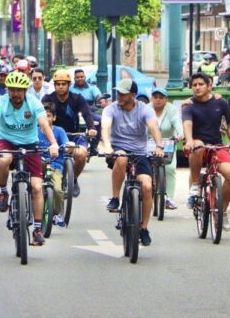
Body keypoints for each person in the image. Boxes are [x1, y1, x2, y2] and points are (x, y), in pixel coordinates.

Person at [0, 71, 59, 247]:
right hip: (7, 142)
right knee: (3, 160)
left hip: (30, 144)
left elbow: (44, 124)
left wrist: (53, 143)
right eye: (12, 90)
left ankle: (38, 229)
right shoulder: (1, 102)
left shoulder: (33, 102)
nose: (16, 94)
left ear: (25, 90)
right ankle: (3, 192)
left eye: (20, 90)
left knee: (37, 187)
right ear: (8, 90)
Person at [100, 79, 164, 247]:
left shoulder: (144, 110)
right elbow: (105, 128)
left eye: (123, 93)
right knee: (121, 158)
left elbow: (154, 128)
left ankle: (144, 228)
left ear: (133, 95)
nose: (119, 96)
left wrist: (158, 145)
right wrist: (107, 146)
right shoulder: (111, 109)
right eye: (118, 92)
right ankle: (115, 198)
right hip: (118, 149)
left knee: (147, 187)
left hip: (140, 153)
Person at [182, 73, 230, 231]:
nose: (197, 87)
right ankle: (195, 185)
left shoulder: (220, 102)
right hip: (196, 146)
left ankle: (222, 211)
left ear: (209, 86)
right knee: (198, 145)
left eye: (201, 84)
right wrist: (189, 141)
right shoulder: (188, 105)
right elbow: (187, 124)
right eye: (194, 85)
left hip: (216, 146)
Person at [42, 69, 97, 197]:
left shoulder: (77, 98)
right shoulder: (48, 98)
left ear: (68, 85)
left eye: (64, 84)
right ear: (55, 85)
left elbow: (87, 114)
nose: (60, 86)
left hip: (75, 135)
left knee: (82, 154)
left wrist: (91, 127)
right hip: (53, 136)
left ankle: (74, 179)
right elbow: (40, 116)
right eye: (58, 84)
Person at [149, 88, 183, 210]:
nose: (158, 100)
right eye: (155, 97)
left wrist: (180, 133)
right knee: (147, 168)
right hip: (150, 142)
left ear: (166, 99)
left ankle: (169, 197)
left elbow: (177, 123)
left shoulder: (171, 109)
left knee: (170, 167)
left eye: (161, 97)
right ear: (151, 98)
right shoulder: (147, 109)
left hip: (167, 142)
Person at [39, 103, 69, 227]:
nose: (46, 119)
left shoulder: (59, 131)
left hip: (56, 165)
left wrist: (68, 147)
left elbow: (67, 144)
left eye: (49, 116)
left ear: (54, 118)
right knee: (35, 187)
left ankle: (56, 213)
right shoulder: (34, 131)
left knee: (57, 189)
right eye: (43, 116)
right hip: (39, 163)